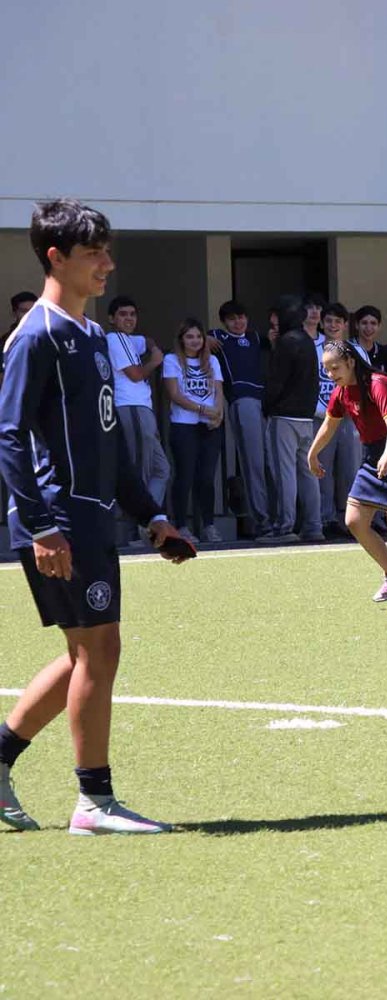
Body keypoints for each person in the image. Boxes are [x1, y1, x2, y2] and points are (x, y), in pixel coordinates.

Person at [0, 199, 190, 836]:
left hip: (91, 516)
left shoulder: (92, 335)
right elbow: (9, 435)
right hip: (59, 519)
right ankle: (94, 802)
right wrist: (40, 525)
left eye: (107, 252)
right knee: (98, 649)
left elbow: (108, 444)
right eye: (93, 254)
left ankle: (4, 757)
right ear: (56, 257)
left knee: (89, 651)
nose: (107, 264)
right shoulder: (37, 336)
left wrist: (152, 515)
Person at [310, 339, 387, 612]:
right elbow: (329, 424)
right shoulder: (341, 391)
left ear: (351, 362)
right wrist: (312, 454)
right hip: (373, 454)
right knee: (354, 520)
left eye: (335, 368)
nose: (330, 374)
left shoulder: (378, 383)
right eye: (326, 369)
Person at [210, 300, 273, 539]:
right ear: (224, 322)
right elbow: (191, 336)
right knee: (253, 462)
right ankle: (262, 521)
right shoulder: (218, 337)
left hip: (265, 402)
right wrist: (206, 340)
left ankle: (278, 517)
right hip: (242, 399)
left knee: (271, 462)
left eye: (241, 317)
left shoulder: (255, 337)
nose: (238, 322)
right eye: (232, 319)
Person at [104, 295, 171, 518]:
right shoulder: (115, 338)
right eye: (123, 314)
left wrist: (153, 348)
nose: (129, 319)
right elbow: (135, 374)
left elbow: (148, 340)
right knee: (139, 470)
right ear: (111, 318)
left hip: (141, 409)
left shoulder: (129, 340)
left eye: (133, 314)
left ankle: (148, 519)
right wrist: (155, 361)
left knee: (161, 470)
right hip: (130, 407)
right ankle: (136, 525)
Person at [262, 298, 322, 544]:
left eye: (276, 315)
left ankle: (283, 527)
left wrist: (267, 406)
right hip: (306, 417)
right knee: (308, 473)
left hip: (284, 417)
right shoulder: (307, 340)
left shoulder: (286, 342)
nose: (273, 321)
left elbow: (276, 382)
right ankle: (314, 526)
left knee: (283, 472)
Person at [161, 318, 225, 543]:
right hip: (183, 425)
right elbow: (174, 394)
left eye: (198, 336)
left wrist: (218, 414)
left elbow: (218, 391)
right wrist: (202, 409)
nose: (195, 341)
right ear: (181, 339)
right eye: (189, 336)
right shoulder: (171, 360)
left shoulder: (212, 360)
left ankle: (208, 525)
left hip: (210, 426)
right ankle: (181, 525)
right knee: (184, 476)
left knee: (207, 478)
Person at [316, 303, 361, 537]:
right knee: (323, 471)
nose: (333, 325)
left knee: (351, 470)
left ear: (345, 324)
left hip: (350, 418)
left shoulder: (355, 350)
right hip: (322, 417)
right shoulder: (313, 348)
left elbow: (365, 382)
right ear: (322, 323)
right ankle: (327, 519)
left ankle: (353, 520)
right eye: (329, 321)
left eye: (338, 321)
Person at [352, 304, 387, 377]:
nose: (369, 328)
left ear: (379, 326)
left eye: (373, 323)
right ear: (357, 325)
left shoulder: (385, 352)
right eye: (364, 323)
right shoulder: (347, 349)